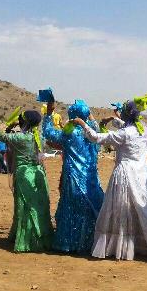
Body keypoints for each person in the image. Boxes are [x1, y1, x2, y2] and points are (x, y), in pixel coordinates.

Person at [71, 100, 147, 261]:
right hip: (142, 173)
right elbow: (125, 126)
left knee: (122, 208)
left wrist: (83, 124)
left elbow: (96, 137)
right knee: (143, 208)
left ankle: (122, 245)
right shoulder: (144, 129)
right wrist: (114, 119)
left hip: (125, 173)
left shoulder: (125, 133)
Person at [0, 105, 53, 252]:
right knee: (39, 207)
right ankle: (41, 238)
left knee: (24, 207)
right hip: (39, 175)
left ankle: (25, 241)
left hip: (24, 175)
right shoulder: (39, 137)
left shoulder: (20, 137)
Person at [43, 99, 104, 254]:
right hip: (91, 178)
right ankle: (90, 241)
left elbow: (48, 132)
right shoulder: (93, 132)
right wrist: (88, 114)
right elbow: (94, 124)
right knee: (90, 208)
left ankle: (70, 242)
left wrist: (49, 113)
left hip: (73, 178)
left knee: (72, 208)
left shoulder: (69, 133)